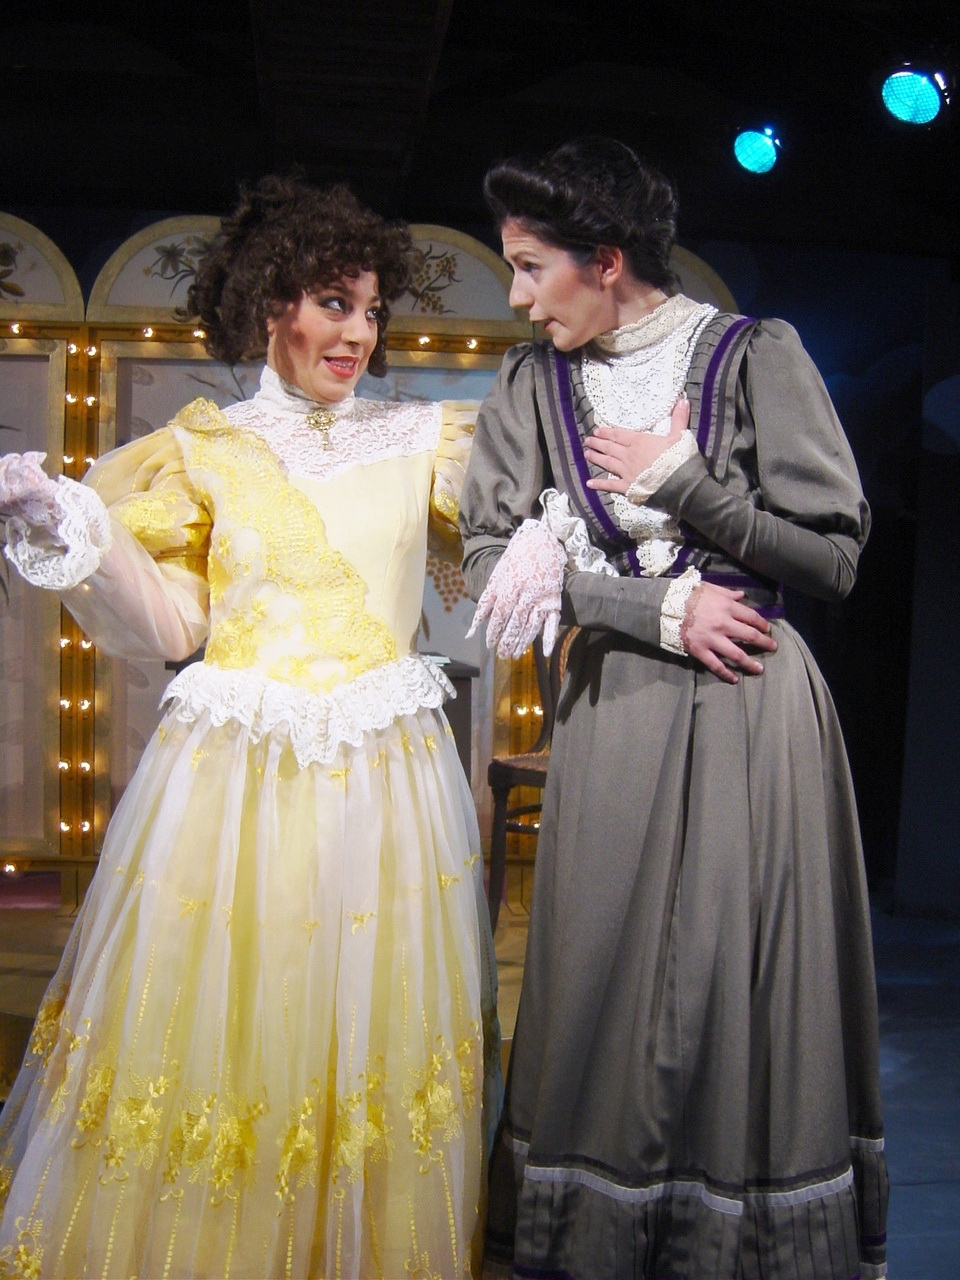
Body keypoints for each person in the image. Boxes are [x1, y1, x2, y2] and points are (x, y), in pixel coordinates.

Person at [0, 175, 499, 1280]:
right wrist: (75, 528)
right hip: (236, 782)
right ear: (273, 303)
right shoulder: (203, 449)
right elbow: (174, 623)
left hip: (381, 778)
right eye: (333, 304)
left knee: (366, 1029)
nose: (358, 333)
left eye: (372, 310)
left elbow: (500, 541)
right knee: (226, 1025)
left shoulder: (426, 437)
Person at [461, 138, 887, 1280]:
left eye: (531, 267)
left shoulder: (756, 357)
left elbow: (834, 558)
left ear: (605, 260)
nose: (517, 296)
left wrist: (685, 485)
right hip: (617, 706)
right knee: (601, 972)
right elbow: (487, 562)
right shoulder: (529, 386)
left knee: (738, 977)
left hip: (755, 706)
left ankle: (740, 1240)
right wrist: (651, 607)